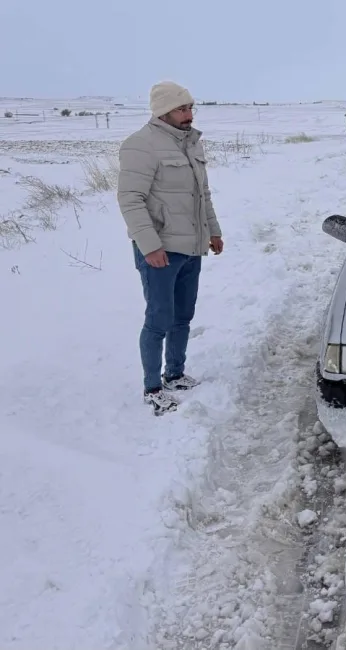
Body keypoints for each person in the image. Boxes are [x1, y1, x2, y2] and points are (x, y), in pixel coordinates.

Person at [117, 81, 224, 416]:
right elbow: (130, 199)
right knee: (159, 319)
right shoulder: (141, 145)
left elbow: (201, 196)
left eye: (191, 107)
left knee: (183, 316)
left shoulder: (191, 144)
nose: (189, 114)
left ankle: (174, 374)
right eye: (182, 109)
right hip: (160, 249)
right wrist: (149, 246)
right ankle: (152, 388)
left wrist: (214, 231)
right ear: (163, 112)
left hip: (190, 247)